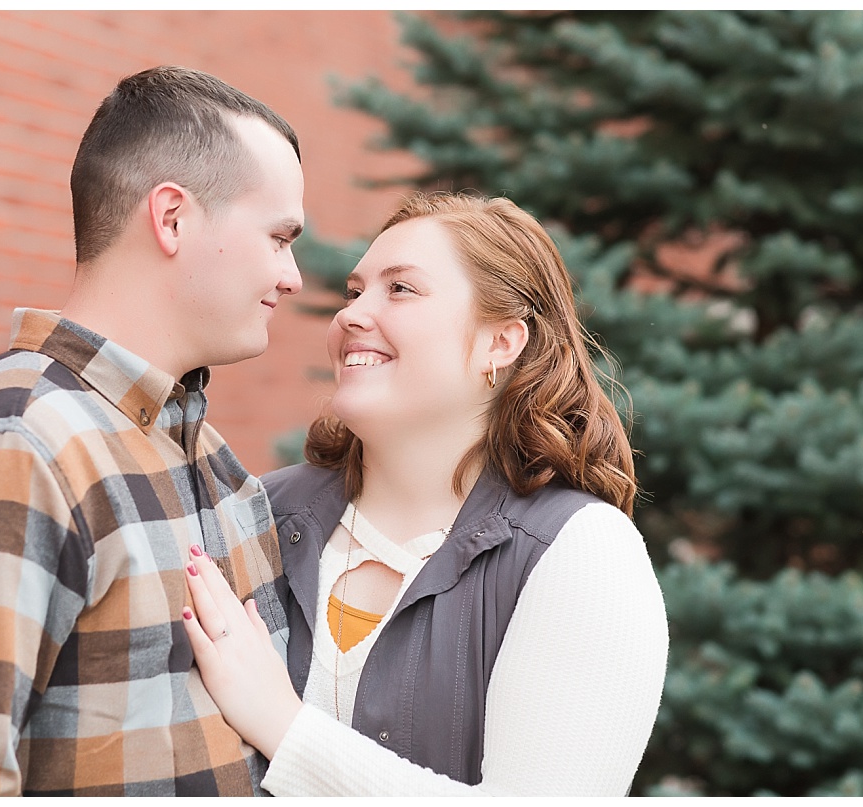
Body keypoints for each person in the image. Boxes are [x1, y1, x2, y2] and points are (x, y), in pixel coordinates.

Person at [0, 65, 305, 796]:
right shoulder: (12, 445)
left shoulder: (213, 458)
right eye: (278, 236)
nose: (292, 276)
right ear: (171, 218)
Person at [181, 192, 670, 795]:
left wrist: (284, 726)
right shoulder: (258, 512)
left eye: (401, 289)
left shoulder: (581, 553)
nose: (353, 315)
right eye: (354, 292)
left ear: (502, 343)